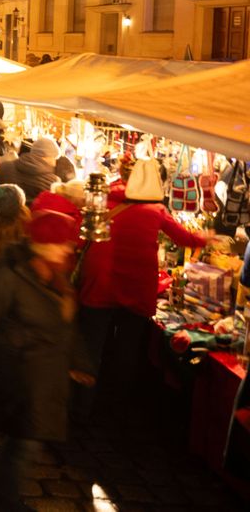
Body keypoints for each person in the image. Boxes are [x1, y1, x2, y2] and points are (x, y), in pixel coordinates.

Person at [0, 210, 95, 511]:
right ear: (45, 244)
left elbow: (66, 325)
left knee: (23, 443)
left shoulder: (56, 274)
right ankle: (4, 502)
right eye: (62, 242)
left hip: (44, 378)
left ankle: (4, 496)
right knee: (25, 443)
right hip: (19, 375)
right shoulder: (7, 273)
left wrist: (78, 360)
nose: (68, 248)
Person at [78, 159, 209, 418]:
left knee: (90, 347)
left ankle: (81, 407)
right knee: (126, 350)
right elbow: (185, 238)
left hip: (100, 282)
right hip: (135, 286)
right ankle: (114, 410)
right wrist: (207, 238)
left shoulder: (108, 199)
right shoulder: (155, 211)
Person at [0, 137, 62, 202]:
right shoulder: (53, 182)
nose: (55, 164)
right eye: (54, 158)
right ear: (46, 156)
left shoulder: (4, 167)